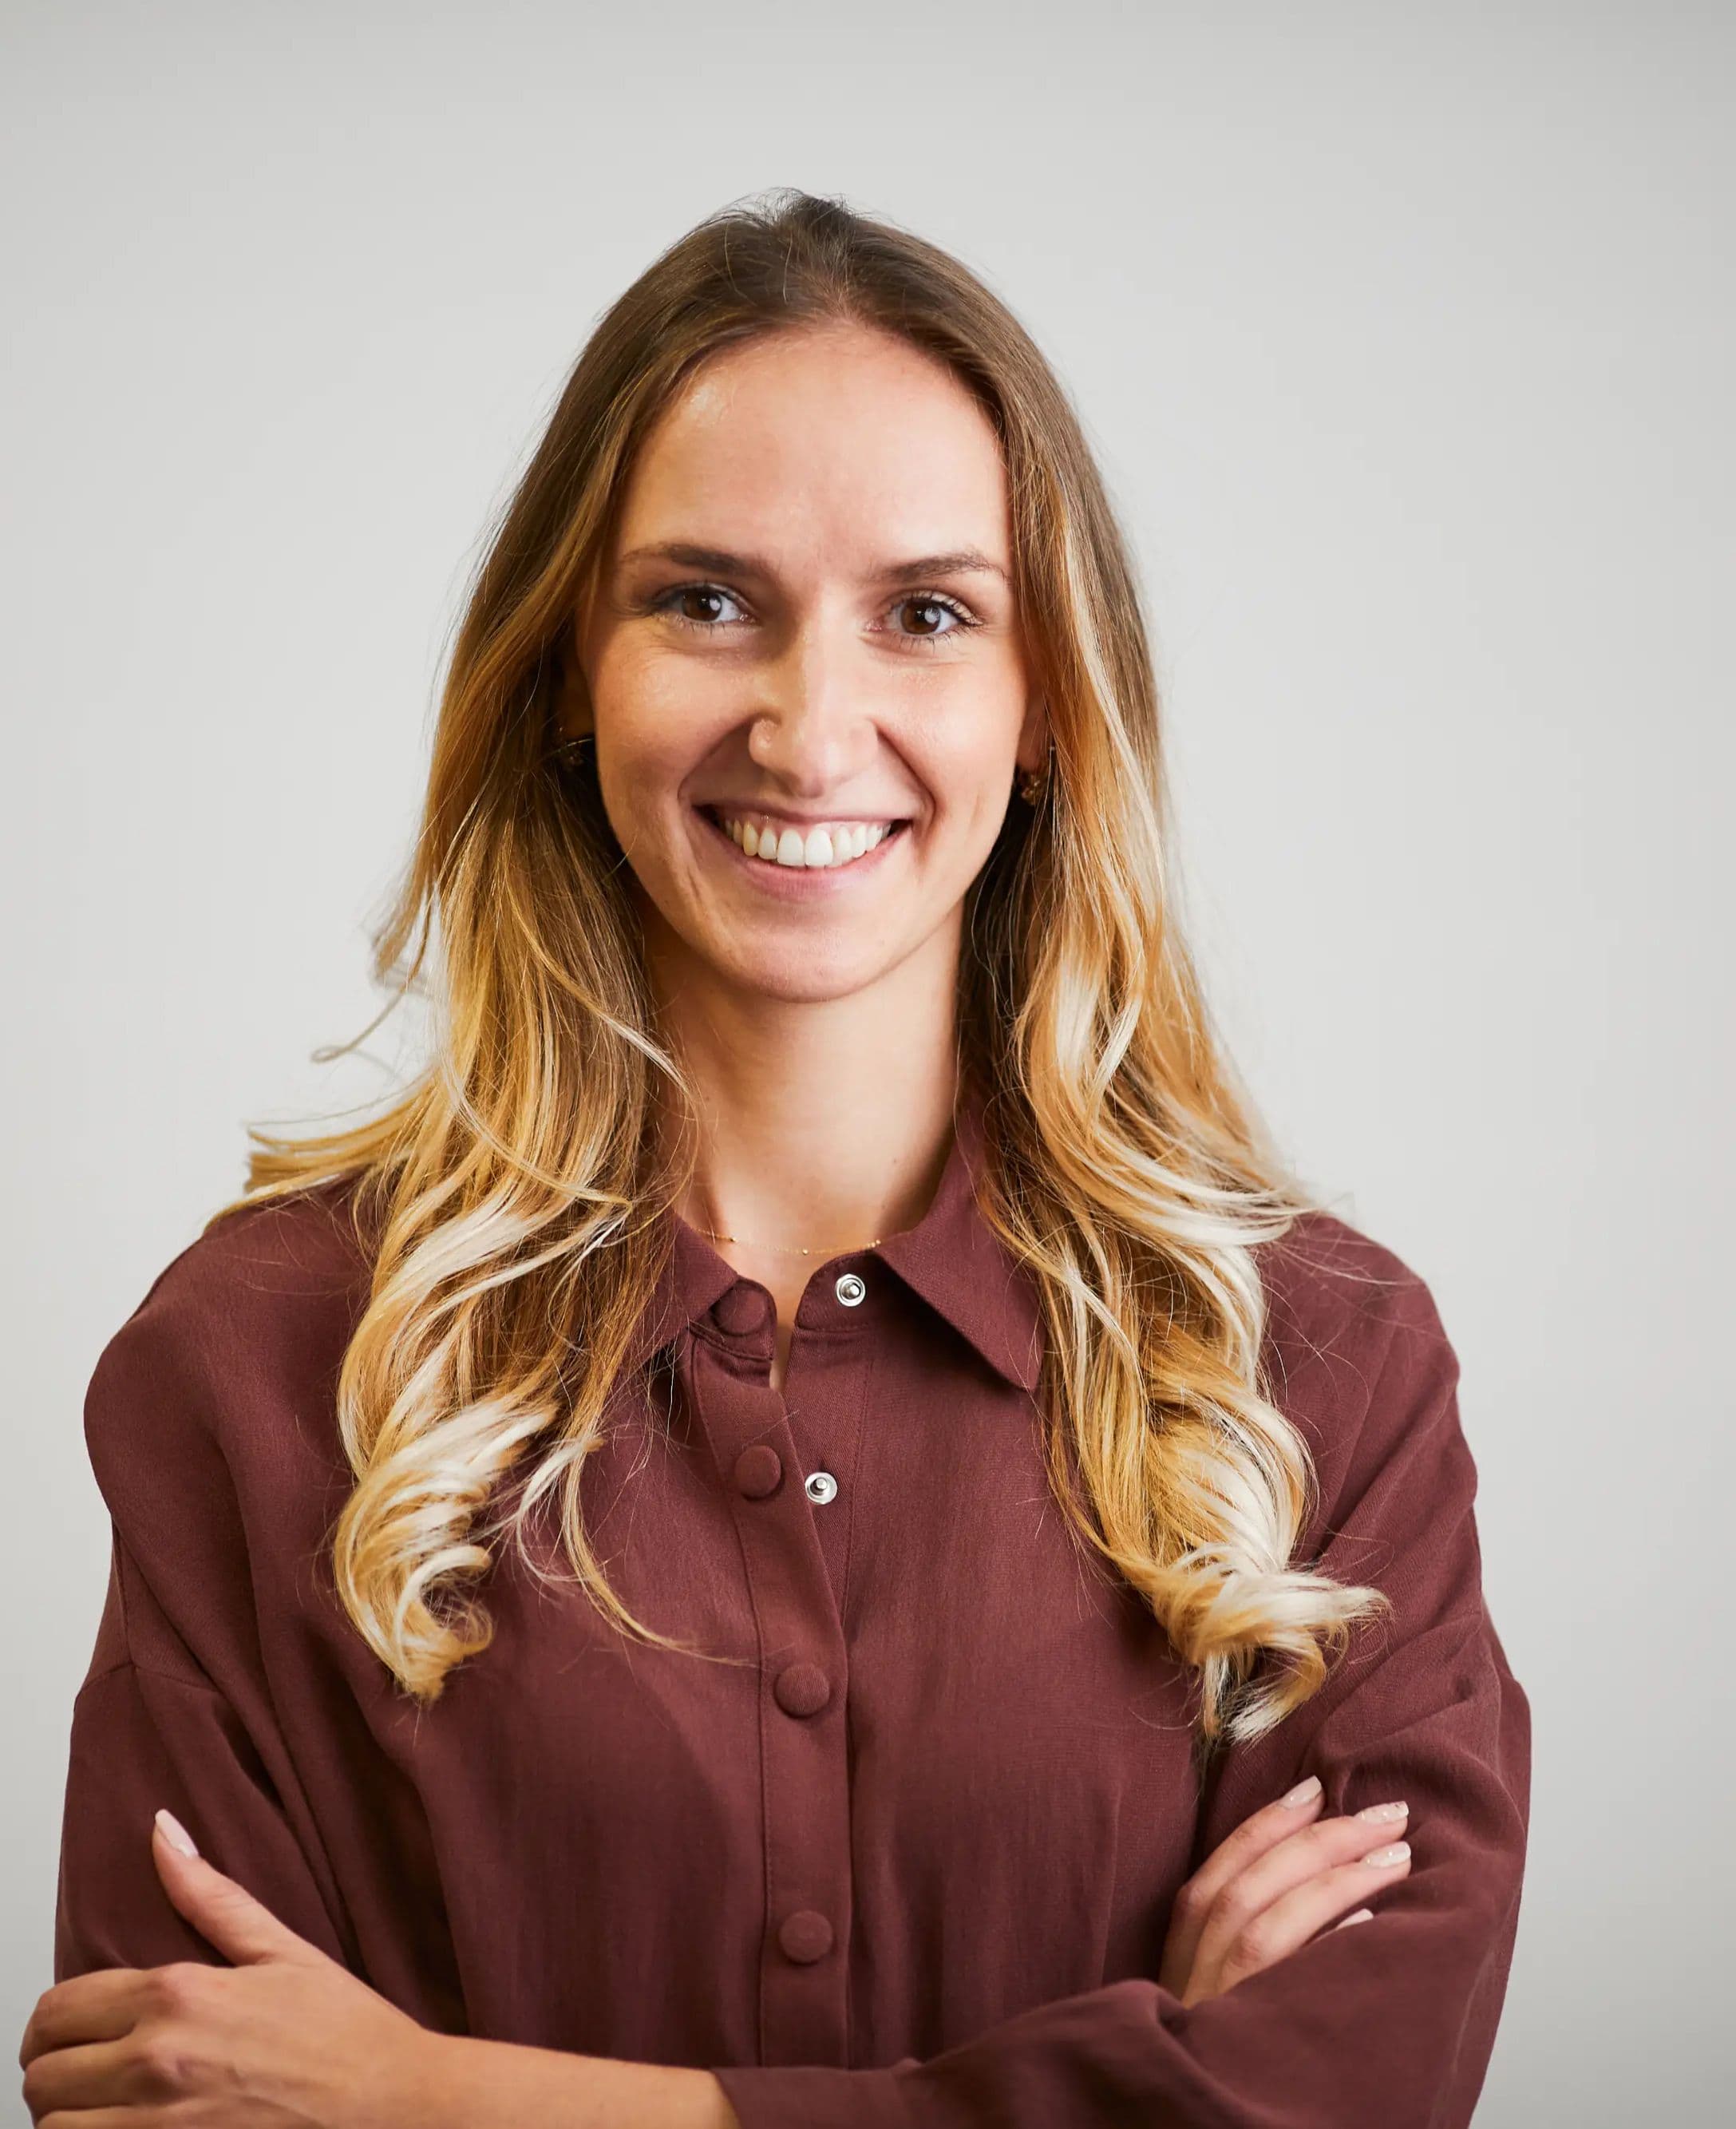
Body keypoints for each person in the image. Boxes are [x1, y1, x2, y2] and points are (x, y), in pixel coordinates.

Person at [23, 188, 1529, 2128]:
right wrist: (1127, 2073)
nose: (813, 729)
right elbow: (185, 2101)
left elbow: (1352, 2095)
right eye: (704, 598)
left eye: (927, 612)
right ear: (570, 670)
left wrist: (447, 2098)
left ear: (1045, 699)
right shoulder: (256, 1361)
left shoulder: (1316, 1358)